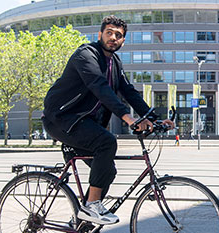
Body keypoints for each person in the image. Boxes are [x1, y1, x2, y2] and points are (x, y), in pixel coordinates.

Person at [42, 15, 173, 225]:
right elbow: (99, 87)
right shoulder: (86, 54)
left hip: (83, 123)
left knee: (108, 170)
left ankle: (82, 221)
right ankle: (91, 207)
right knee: (107, 142)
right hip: (61, 119)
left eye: (118, 35)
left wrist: (153, 119)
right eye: (109, 32)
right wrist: (129, 119)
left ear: (123, 41)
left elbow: (128, 92)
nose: (113, 37)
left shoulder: (115, 62)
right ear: (100, 34)